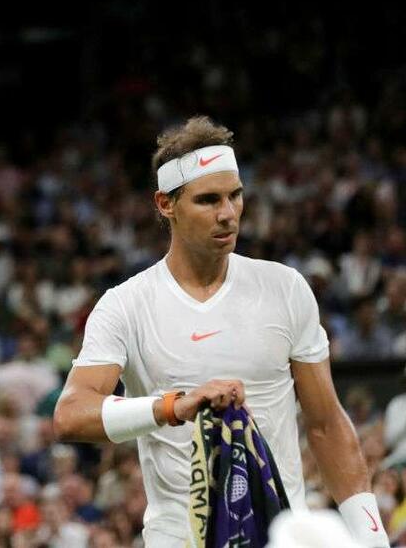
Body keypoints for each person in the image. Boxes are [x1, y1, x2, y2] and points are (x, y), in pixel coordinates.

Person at [52, 116, 388, 547]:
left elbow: (325, 424)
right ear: (165, 204)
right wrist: (174, 406)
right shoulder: (125, 304)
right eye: (208, 200)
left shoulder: (286, 288)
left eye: (235, 196)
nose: (228, 214)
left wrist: (372, 538)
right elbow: (70, 415)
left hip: (279, 534)